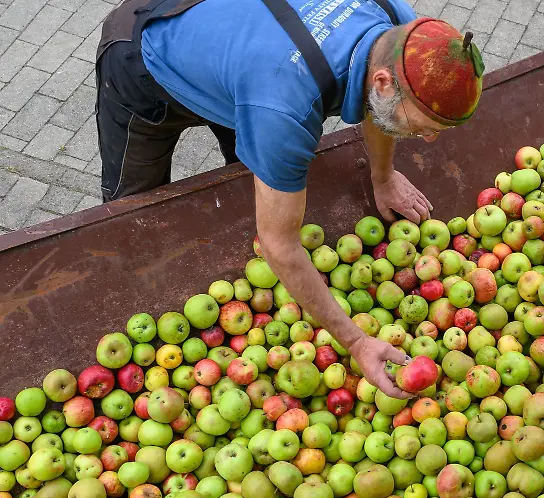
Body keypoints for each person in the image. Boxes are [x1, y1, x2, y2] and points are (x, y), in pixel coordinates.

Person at [94, 0, 484, 398]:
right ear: (384, 81)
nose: (429, 138)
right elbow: (278, 244)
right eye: (423, 126)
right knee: (133, 213)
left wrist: (382, 177)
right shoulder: (284, 108)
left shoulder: (403, 31)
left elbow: (381, 107)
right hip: (144, 57)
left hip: (247, 55)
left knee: (264, 155)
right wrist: (355, 342)